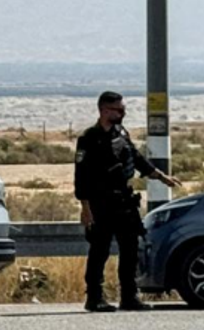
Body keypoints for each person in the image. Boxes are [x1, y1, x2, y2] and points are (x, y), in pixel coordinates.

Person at [74, 91, 182, 312]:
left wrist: (162, 177)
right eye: (118, 110)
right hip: (100, 203)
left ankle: (129, 296)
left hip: (124, 201)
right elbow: (81, 175)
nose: (123, 113)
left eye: (123, 109)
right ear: (104, 110)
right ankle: (94, 297)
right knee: (99, 251)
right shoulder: (89, 139)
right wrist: (85, 208)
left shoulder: (121, 133)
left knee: (130, 249)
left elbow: (138, 159)